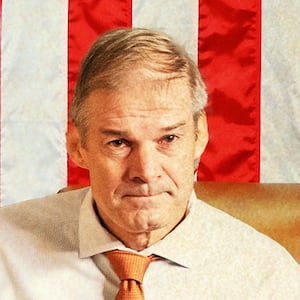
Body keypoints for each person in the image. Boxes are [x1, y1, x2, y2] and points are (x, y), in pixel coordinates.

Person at [0, 28, 299, 299]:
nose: (145, 171)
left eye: (168, 139)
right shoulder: (5, 250)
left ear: (199, 136)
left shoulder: (267, 277)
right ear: (78, 148)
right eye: (119, 143)